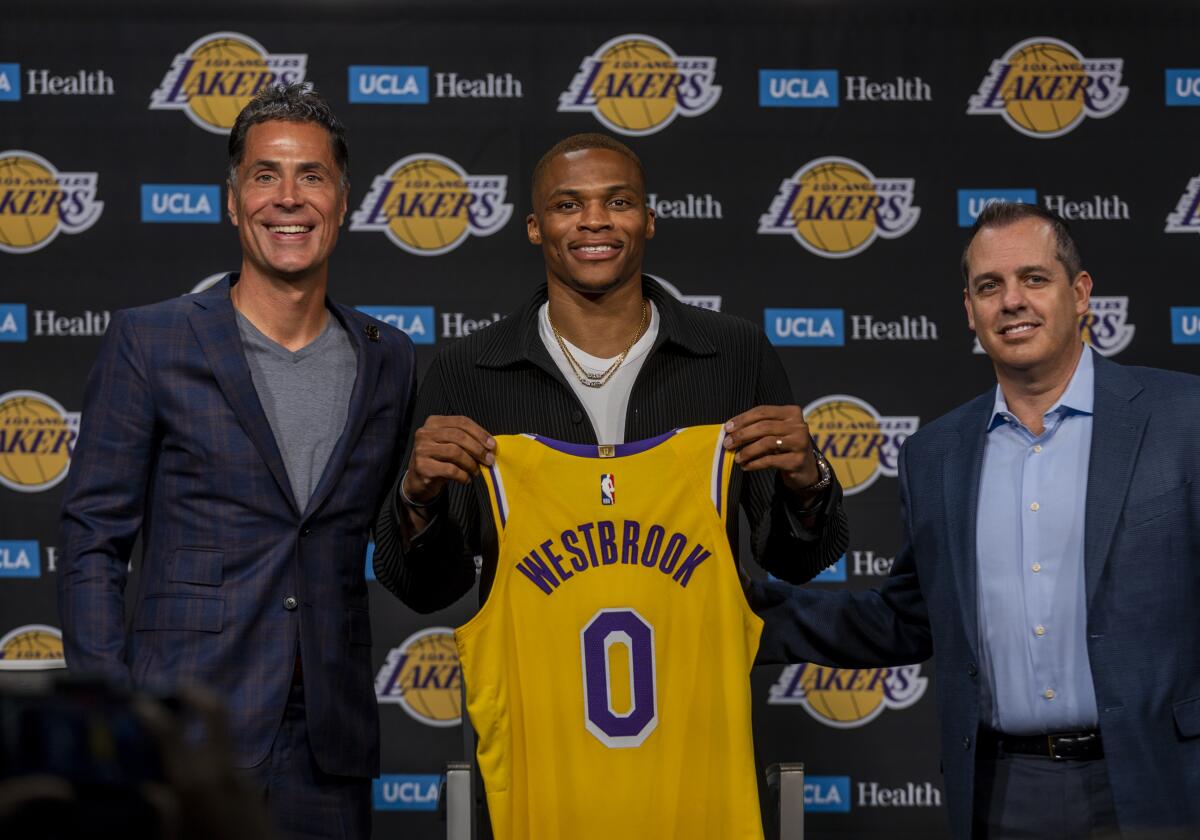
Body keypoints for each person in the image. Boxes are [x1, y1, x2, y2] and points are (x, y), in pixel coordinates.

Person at [753, 201, 1200, 839]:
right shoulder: (935, 454)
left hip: (1162, 784)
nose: (1011, 300)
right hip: (1001, 794)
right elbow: (906, 618)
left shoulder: (1184, 418)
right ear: (970, 311)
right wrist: (727, 612)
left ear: (1080, 295)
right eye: (989, 286)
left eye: (1034, 279)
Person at [58, 83, 415, 839]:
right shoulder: (150, 342)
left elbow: (398, 542)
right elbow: (92, 540)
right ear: (231, 201)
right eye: (265, 175)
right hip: (183, 739)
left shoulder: (391, 358)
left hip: (330, 746)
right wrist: (117, 723)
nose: (289, 198)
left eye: (311, 176)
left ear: (343, 202)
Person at [372, 130, 847, 618]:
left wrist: (808, 483)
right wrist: (417, 499)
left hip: (696, 680)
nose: (595, 221)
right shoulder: (467, 370)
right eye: (568, 205)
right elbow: (426, 590)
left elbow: (797, 563)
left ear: (648, 220)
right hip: (533, 685)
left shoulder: (735, 353)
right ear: (535, 227)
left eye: (617, 201)